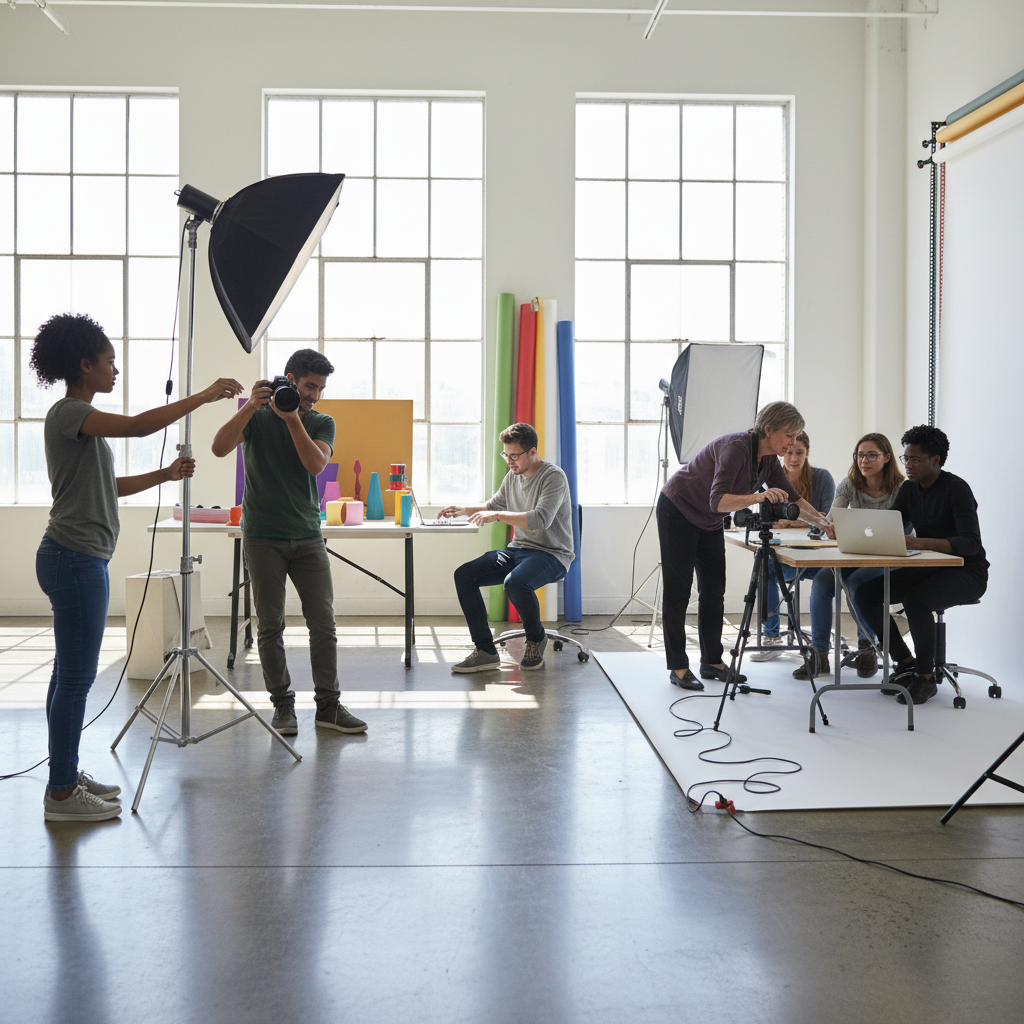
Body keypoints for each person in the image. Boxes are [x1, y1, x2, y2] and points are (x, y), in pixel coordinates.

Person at [31, 313, 243, 821]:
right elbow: (137, 426)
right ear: (85, 365)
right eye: (109, 362)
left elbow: (110, 486)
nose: (115, 371)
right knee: (77, 678)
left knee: (67, 675)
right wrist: (203, 395)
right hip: (73, 558)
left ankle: (65, 774)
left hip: (78, 558)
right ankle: (61, 794)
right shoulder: (69, 413)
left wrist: (166, 474)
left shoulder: (82, 424)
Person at [211, 348, 367, 736]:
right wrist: (249, 406)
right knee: (269, 625)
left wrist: (294, 416)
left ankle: (328, 706)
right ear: (289, 379)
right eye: (309, 386)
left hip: (308, 536)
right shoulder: (257, 417)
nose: (315, 395)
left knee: (323, 624)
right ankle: (283, 706)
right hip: (262, 535)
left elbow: (315, 464)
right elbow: (218, 447)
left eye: (320, 389)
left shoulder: (320, 420)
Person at [657, 401, 834, 691]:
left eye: (796, 437)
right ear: (769, 430)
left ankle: (712, 661)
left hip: (709, 519)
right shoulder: (735, 448)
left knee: (714, 590)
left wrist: (824, 523)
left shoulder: (768, 461)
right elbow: (719, 500)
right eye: (789, 436)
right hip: (679, 509)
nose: (792, 444)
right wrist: (759, 498)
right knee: (678, 590)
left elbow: (794, 500)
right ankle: (678, 666)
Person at [855, 425, 988, 706]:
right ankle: (905, 662)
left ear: (935, 460)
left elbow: (970, 543)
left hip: (967, 572)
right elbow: (891, 526)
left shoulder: (957, 489)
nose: (909, 465)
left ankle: (925, 678)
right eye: (906, 459)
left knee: (917, 600)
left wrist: (920, 543)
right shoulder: (909, 489)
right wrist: (854, 533)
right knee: (866, 594)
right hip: (930, 567)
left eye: (915, 459)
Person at [440, 422, 574, 673]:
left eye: (514, 456)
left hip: (552, 553)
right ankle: (486, 651)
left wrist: (499, 516)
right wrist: (464, 510)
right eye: (506, 455)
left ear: (532, 452)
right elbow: (493, 505)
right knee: (464, 575)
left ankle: (536, 638)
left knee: (515, 582)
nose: (509, 461)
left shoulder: (553, 476)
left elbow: (540, 519)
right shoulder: (513, 476)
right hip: (518, 550)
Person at [791, 432, 905, 680]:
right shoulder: (849, 483)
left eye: (871, 455)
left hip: (892, 557)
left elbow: (905, 529)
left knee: (856, 583)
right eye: (860, 455)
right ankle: (819, 654)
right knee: (822, 582)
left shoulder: (901, 488)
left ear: (887, 457)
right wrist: (831, 527)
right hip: (855, 554)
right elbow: (833, 517)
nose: (864, 460)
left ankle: (867, 648)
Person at [749, 430, 834, 661]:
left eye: (800, 452)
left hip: (818, 556)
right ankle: (772, 636)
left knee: (825, 582)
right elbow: (770, 520)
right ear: (782, 453)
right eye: (789, 452)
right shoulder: (772, 479)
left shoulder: (822, 477)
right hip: (787, 553)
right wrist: (792, 523)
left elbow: (823, 517)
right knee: (764, 568)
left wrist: (789, 521)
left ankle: (820, 646)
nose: (794, 458)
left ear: (808, 453)